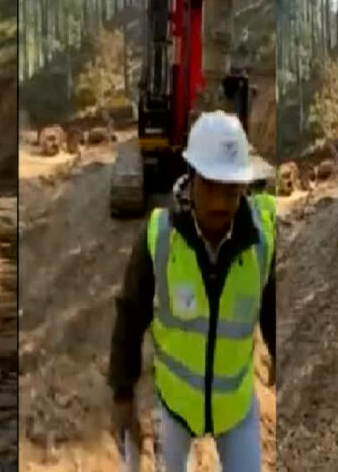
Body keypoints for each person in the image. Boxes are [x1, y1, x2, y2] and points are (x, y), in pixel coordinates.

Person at [108, 111, 275, 471]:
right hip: (175, 405)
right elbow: (130, 314)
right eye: (211, 185)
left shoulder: (262, 240)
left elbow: (275, 313)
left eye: (231, 189)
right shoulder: (159, 236)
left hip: (235, 407)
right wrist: (122, 395)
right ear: (192, 178)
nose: (220, 202)